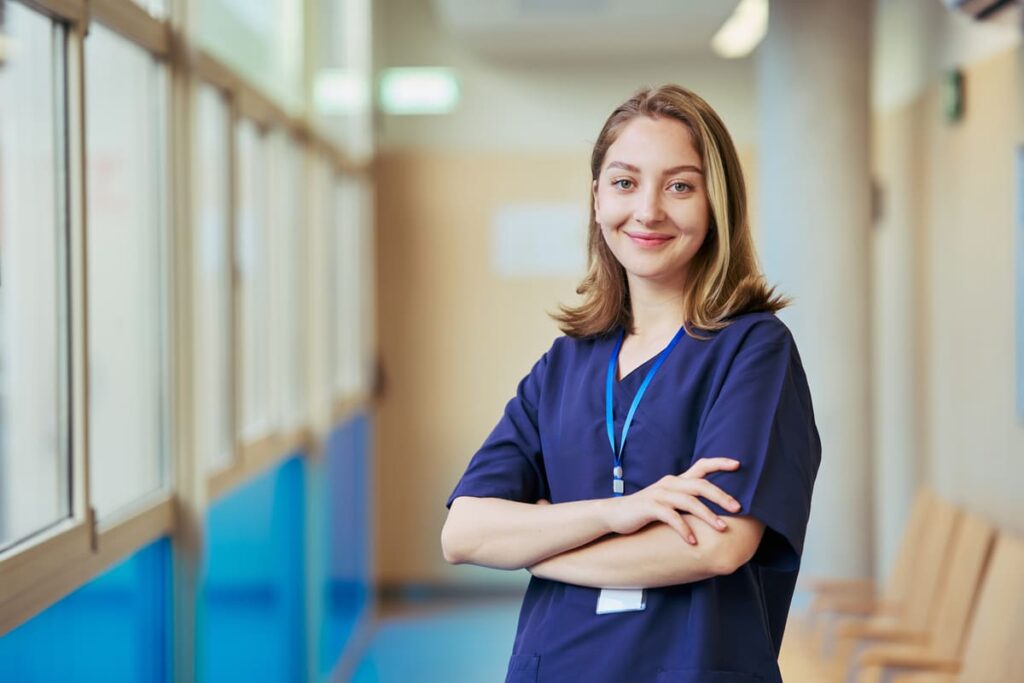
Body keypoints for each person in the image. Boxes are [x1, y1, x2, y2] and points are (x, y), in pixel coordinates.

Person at [440, 84, 821, 683]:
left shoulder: (753, 351)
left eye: (680, 186)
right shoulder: (565, 364)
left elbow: (718, 545)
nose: (648, 211)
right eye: (624, 182)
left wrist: (540, 545)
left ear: (717, 203)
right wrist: (620, 513)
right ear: (595, 199)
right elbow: (465, 532)